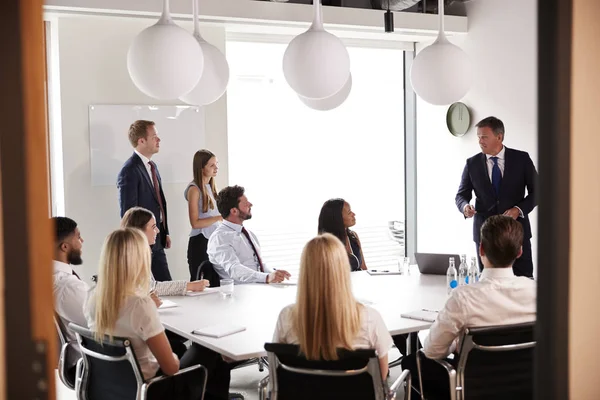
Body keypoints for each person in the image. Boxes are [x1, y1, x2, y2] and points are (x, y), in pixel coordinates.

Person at [84, 228, 235, 400]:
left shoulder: (92, 296)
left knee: (179, 349)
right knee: (209, 347)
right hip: (153, 391)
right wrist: (174, 358)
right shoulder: (139, 304)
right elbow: (171, 368)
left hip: (113, 386)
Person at [401, 215, 537, 399]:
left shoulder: (464, 298)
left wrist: (458, 343)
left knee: (412, 362)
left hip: (471, 388)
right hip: (527, 386)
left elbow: (433, 351)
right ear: (520, 252)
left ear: (481, 249)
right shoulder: (538, 293)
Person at [273, 233, 393, 379]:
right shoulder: (369, 317)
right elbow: (381, 376)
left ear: (305, 270)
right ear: (343, 269)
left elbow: (277, 368)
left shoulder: (287, 316)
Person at [455, 116, 538, 277]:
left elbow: (538, 192)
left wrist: (518, 209)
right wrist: (465, 206)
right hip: (485, 234)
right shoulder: (472, 163)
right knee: (487, 282)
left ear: (499, 137)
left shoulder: (521, 159)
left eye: (484, 137)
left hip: (516, 232)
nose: (480, 141)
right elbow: (461, 195)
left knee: (524, 280)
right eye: (478, 137)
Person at [117, 120, 172, 281]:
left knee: (165, 285)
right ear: (141, 141)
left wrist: (164, 231)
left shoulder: (152, 166)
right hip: (141, 242)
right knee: (155, 288)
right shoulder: (129, 170)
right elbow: (129, 214)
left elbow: (159, 202)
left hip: (157, 237)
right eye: (154, 136)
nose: (159, 140)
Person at [207, 185, 291, 284]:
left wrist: (274, 273)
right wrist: (267, 277)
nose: (251, 205)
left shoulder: (248, 234)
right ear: (234, 211)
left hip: (258, 289)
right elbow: (234, 269)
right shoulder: (220, 238)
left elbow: (259, 264)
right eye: (246, 204)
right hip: (240, 293)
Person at [121, 207, 209, 296]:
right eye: (153, 227)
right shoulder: (132, 257)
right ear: (139, 230)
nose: (157, 231)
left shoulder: (136, 252)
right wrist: (190, 286)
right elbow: (151, 287)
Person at [52, 216, 87, 374]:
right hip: (90, 364)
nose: (82, 241)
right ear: (65, 247)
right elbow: (105, 324)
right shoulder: (67, 287)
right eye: (78, 237)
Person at [185, 150, 223, 281]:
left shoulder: (211, 188)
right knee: (200, 285)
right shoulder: (194, 190)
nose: (216, 168)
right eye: (212, 165)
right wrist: (218, 217)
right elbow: (195, 223)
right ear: (201, 168)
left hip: (213, 242)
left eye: (216, 164)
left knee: (216, 283)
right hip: (200, 244)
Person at [318, 198, 367, 271]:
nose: (353, 214)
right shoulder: (325, 244)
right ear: (338, 217)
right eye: (349, 212)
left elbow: (364, 268)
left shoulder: (353, 235)